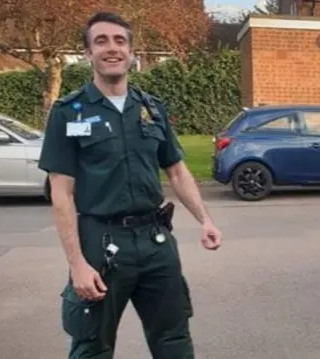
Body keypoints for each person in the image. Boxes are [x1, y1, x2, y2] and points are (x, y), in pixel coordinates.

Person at [38, 11, 222, 359]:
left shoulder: (152, 109)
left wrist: (205, 220)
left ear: (131, 51)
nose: (112, 48)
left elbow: (178, 172)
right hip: (100, 243)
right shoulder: (68, 113)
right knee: (92, 345)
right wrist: (77, 263)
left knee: (174, 340)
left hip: (155, 242)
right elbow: (61, 194)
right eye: (101, 41)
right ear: (88, 53)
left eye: (120, 41)